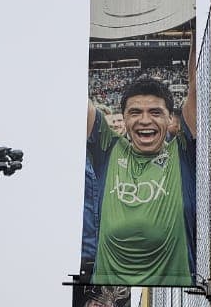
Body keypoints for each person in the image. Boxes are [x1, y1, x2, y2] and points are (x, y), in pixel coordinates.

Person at [82, 70, 196, 286]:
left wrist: (193, 36)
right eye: (135, 112)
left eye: (155, 112)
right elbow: (73, 95)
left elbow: (198, 84)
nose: (145, 120)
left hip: (175, 295)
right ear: (124, 118)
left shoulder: (182, 152)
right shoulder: (108, 148)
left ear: (170, 117)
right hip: (113, 296)